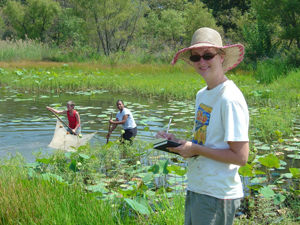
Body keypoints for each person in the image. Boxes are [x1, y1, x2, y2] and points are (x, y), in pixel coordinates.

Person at [156, 27, 249, 225]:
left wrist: (196, 148)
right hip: (197, 187)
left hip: (217, 195)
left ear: (221, 56)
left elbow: (241, 157)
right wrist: (180, 143)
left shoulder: (230, 98)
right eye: (195, 57)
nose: (202, 62)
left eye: (208, 55)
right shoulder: (202, 94)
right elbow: (207, 142)